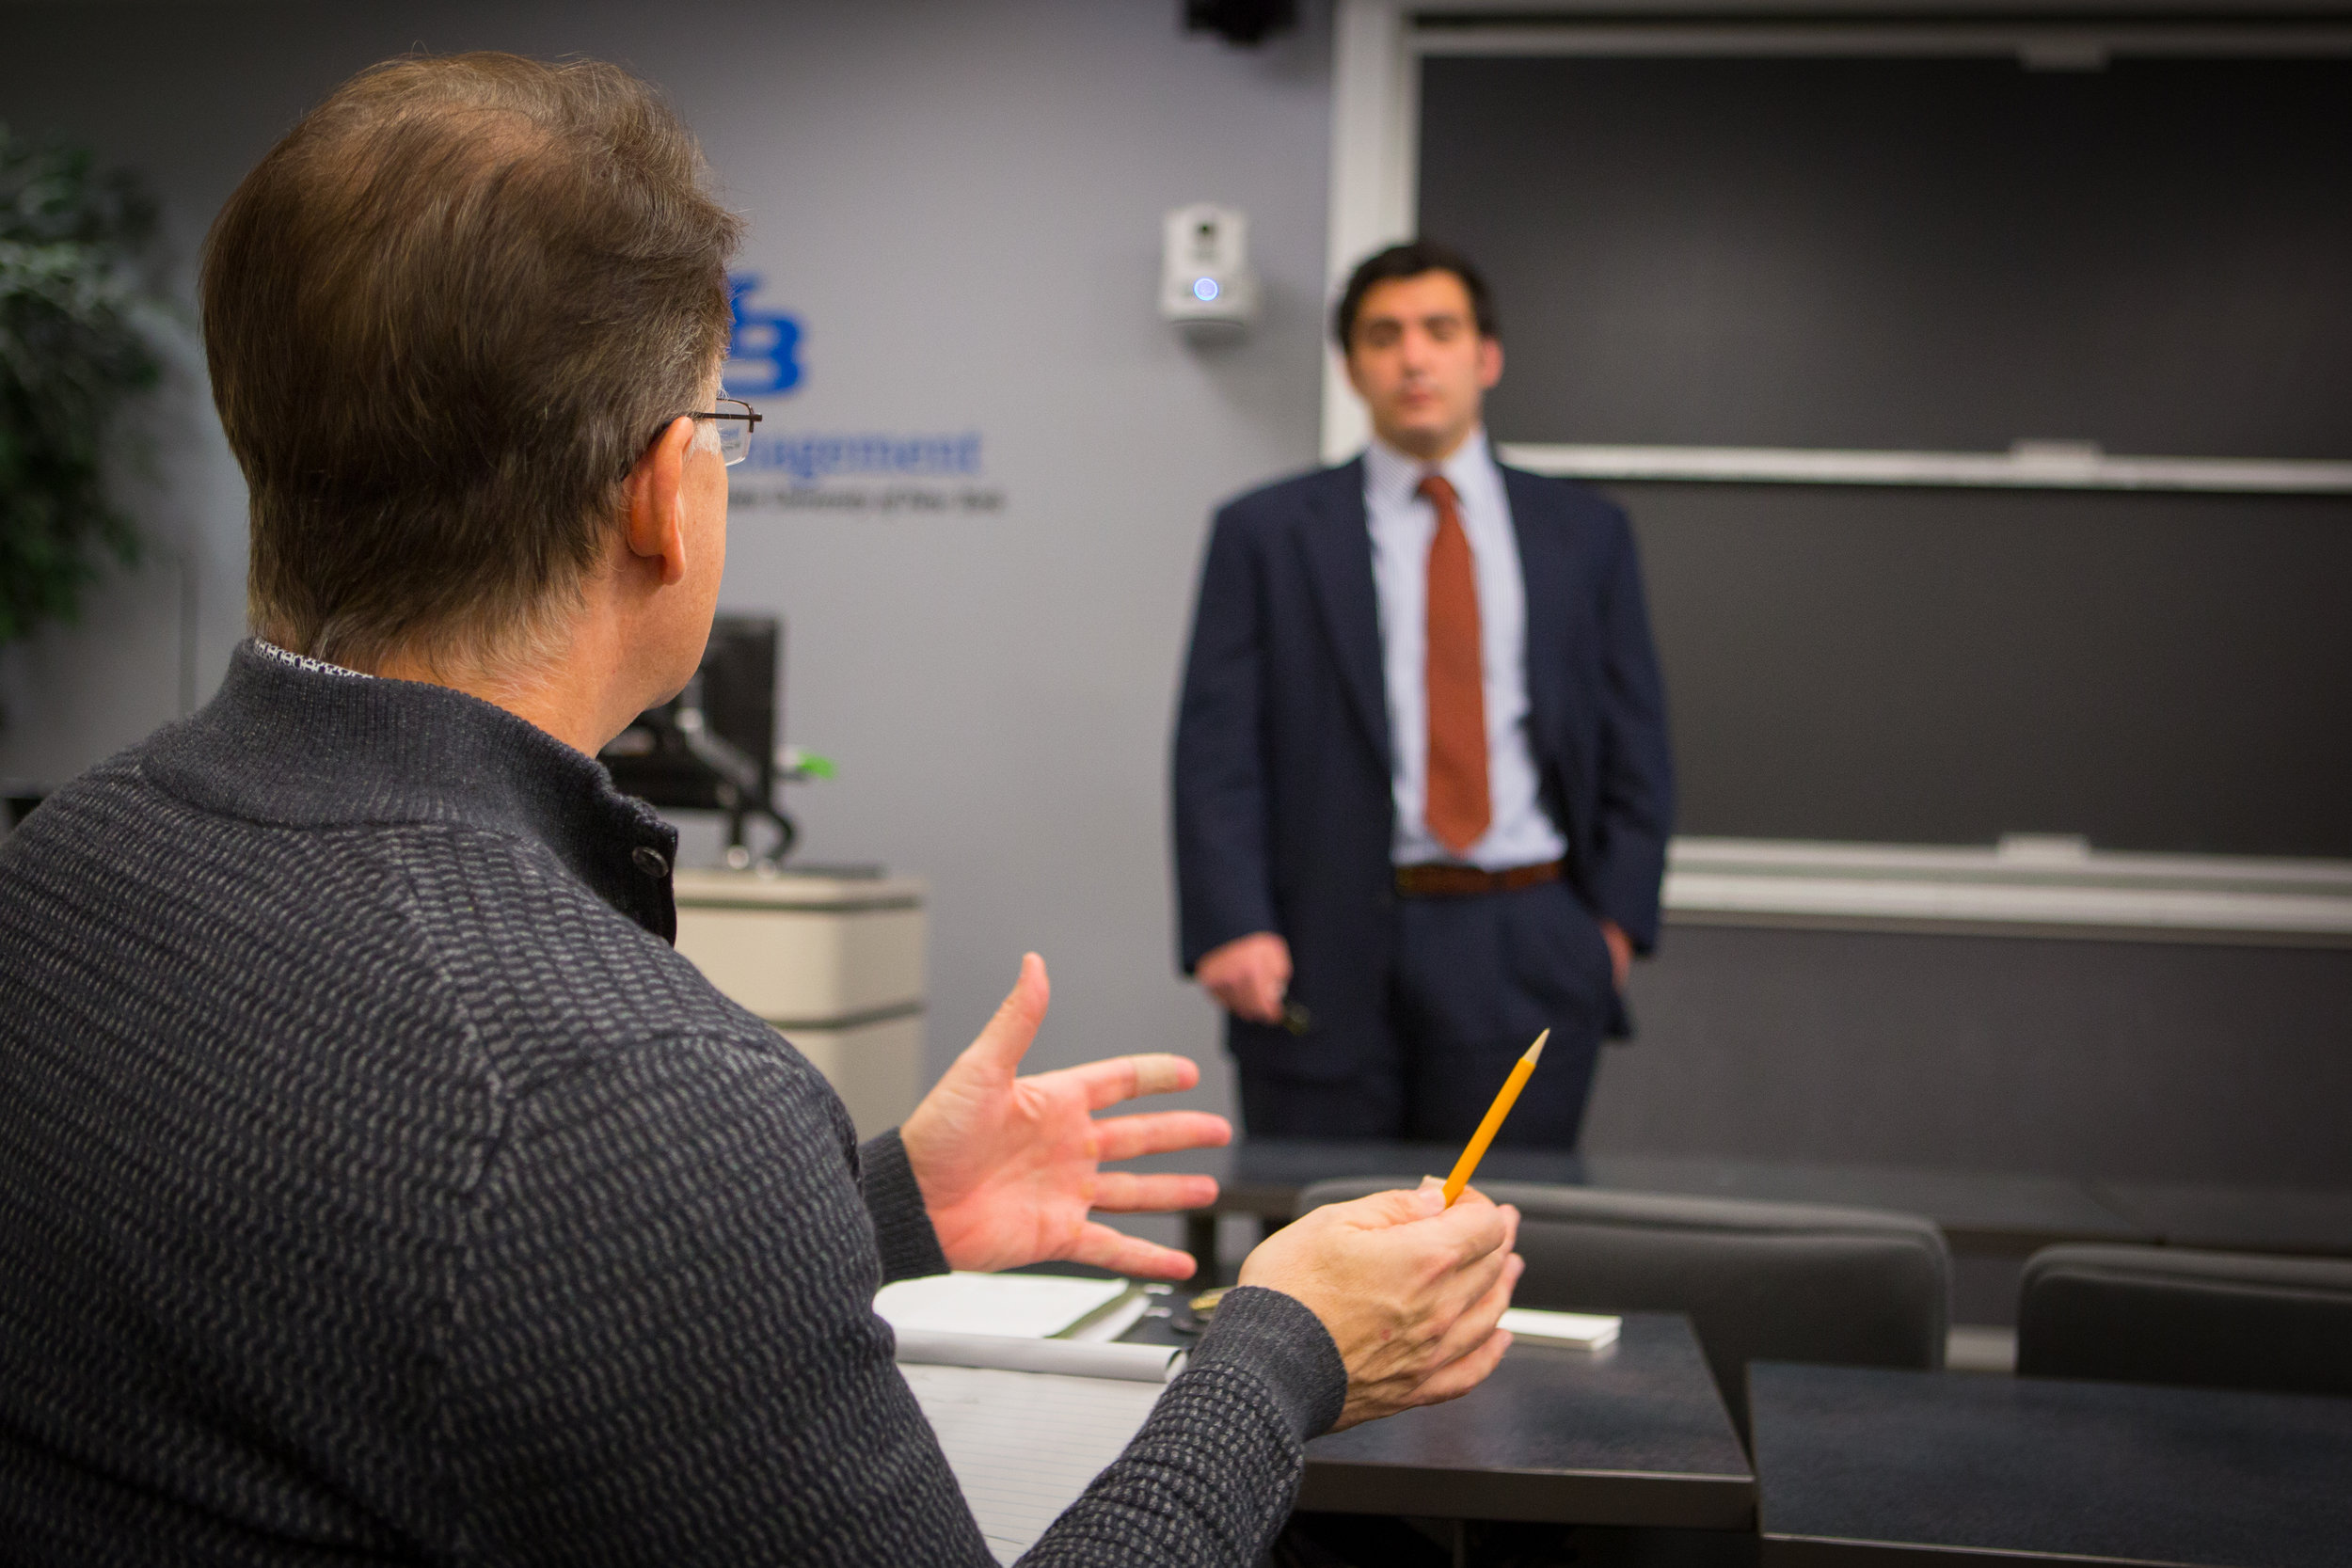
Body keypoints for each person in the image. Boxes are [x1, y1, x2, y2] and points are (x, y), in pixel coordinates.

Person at [0, 56, 1525, 1566]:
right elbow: (530, 1193)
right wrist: (1282, 1346)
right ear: (665, 495)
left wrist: (878, 1206)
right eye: (723, 428)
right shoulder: (620, 1084)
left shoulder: (56, 873)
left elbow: (395, 1303)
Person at [1173, 241, 1674, 1149]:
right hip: (1319, 944)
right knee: (1319, 1246)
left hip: (1526, 938)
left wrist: (1613, 925)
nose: (1413, 357)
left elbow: (1636, 739)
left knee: (1497, 1244)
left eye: (1439, 331)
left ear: (1485, 356)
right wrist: (1231, 921)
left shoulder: (1586, 535)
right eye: (1384, 335)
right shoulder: (1266, 532)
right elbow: (1216, 749)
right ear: (1351, 365)